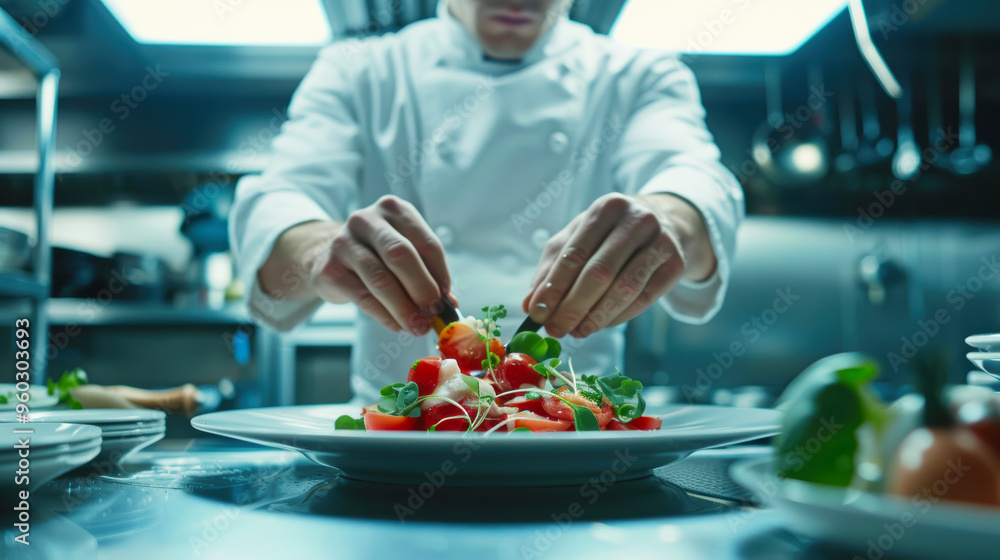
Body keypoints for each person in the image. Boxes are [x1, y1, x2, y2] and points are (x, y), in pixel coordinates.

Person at [229, 0, 744, 405]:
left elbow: (695, 177)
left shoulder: (640, 74)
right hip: (399, 443)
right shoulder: (359, 70)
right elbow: (280, 201)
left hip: (577, 442)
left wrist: (673, 220)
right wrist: (320, 250)